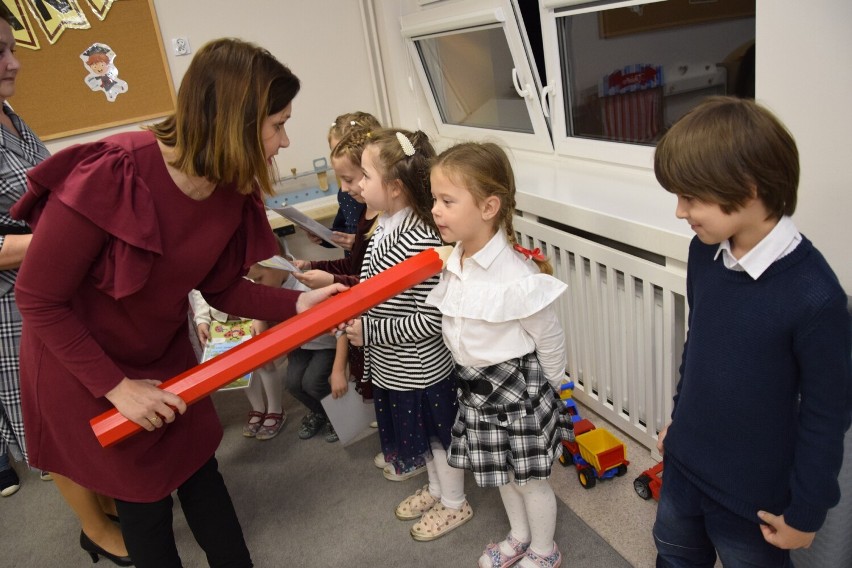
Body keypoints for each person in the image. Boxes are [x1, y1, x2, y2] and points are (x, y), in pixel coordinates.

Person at [11, 38, 344, 568]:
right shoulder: (114, 172)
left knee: (197, 468)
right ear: (234, 119)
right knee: (144, 500)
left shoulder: (229, 186)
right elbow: (37, 298)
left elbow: (223, 288)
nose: (284, 140)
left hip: (160, 351)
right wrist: (117, 389)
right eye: (277, 124)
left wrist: (300, 306)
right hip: (89, 367)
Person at [652, 96, 852, 567]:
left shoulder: (817, 297)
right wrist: (680, 420)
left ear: (747, 187)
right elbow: (697, 348)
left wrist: (807, 513)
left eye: (691, 197)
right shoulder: (705, 252)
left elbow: (828, 415)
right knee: (674, 558)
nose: (680, 212)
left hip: (752, 501)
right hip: (684, 469)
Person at [426, 142, 570, 568]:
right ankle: (520, 535)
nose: (435, 209)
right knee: (503, 476)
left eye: (447, 201)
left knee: (531, 482)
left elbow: (550, 336)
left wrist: (551, 384)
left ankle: (545, 551)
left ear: (489, 207)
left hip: (517, 394)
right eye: (435, 199)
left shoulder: (516, 276)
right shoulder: (455, 261)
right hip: (476, 393)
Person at [343, 128, 472, 540]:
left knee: (437, 439)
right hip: (396, 367)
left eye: (365, 176)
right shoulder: (385, 224)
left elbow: (430, 319)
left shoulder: (417, 238)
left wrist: (371, 330)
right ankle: (437, 489)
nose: (358, 185)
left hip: (420, 370)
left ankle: (455, 503)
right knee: (423, 436)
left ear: (395, 187)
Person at [293, 125, 381, 443]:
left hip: (379, 325)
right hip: (365, 324)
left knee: (389, 393)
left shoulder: (381, 221)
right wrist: (314, 265)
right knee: (376, 392)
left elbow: (374, 282)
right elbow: (355, 264)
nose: (344, 190)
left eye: (349, 179)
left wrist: (329, 278)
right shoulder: (364, 215)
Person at [0, 5, 49, 499]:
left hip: (54, 294)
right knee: (52, 428)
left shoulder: (12, 116)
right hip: (13, 312)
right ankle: (97, 529)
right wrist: (64, 240)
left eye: (12, 49)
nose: (14, 62)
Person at [304, 111, 382, 252]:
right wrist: (324, 236)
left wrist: (358, 243)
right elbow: (343, 230)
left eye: (345, 149)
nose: (339, 157)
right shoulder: (345, 194)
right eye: (335, 151)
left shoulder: (383, 200)